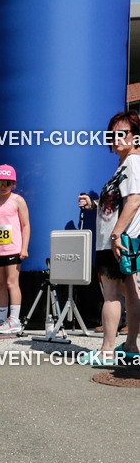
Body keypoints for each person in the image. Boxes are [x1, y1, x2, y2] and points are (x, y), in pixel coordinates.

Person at [77, 110, 140, 364]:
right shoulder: (125, 164)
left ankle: (107, 350)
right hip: (121, 238)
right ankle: (131, 346)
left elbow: (135, 200)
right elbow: (120, 201)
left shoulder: (133, 163)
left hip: (118, 240)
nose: (115, 138)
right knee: (130, 291)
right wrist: (94, 203)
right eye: (111, 134)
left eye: (122, 133)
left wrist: (116, 234)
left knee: (112, 294)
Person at [0, 164, 30, 335]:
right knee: (0, 285)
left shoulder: (17, 200)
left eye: (7, 183)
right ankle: (2, 319)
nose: (3, 186)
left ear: (13, 184)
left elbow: (26, 225)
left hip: (13, 249)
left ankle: (15, 320)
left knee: (12, 283)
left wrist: (24, 248)